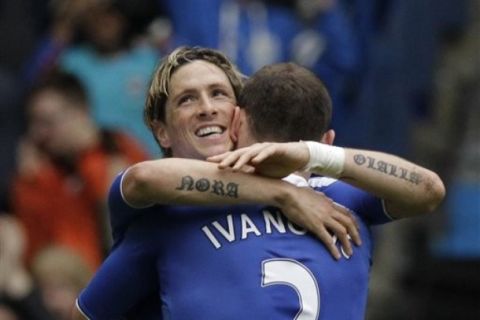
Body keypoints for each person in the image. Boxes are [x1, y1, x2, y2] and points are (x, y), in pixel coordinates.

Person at [74, 48, 444, 319]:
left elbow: (428, 190)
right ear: (161, 131)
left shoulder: (333, 199)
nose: (206, 107)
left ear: (238, 118)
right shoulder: (166, 216)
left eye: (218, 93)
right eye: (187, 99)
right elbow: (143, 178)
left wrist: (310, 156)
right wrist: (284, 194)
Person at [10, 71, 149, 270]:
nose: (37, 133)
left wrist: (89, 153)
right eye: (33, 122)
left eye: (47, 122)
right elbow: (37, 242)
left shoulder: (120, 149)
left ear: (81, 113)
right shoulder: (42, 170)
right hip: (60, 285)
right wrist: (33, 180)